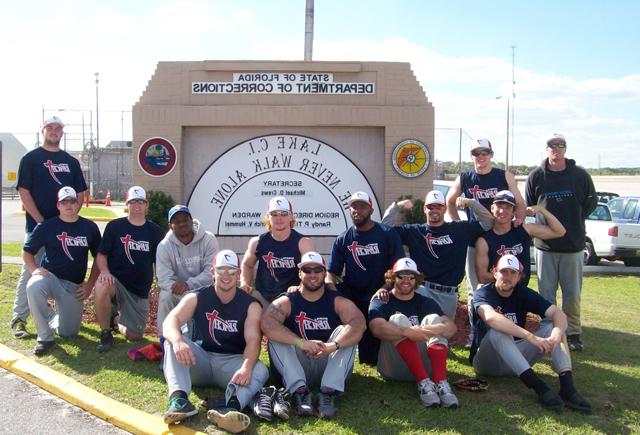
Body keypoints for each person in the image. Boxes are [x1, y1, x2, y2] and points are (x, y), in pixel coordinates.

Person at [162, 249, 269, 433]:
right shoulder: (197, 297)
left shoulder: (250, 304)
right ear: (213, 273)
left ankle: (231, 408)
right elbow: (170, 321)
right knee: (171, 342)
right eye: (221, 270)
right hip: (201, 360)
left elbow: (253, 340)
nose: (226, 276)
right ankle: (179, 401)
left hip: (232, 364)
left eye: (231, 271)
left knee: (259, 368)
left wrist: (246, 367)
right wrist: (178, 340)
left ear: (238, 274)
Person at [470, 254, 592, 413]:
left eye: (513, 272)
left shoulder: (523, 292)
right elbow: (491, 318)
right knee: (498, 331)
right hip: (488, 363)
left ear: (519, 277)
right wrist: (530, 337)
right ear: (494, 273)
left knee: (554, 327)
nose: (507, 276)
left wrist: (555, 335)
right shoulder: (483, 293)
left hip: (517, 359)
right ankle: (539, 388)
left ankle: (567, 388)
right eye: (503, 271)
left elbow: (558, 314)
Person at [261, 252, 366, 419]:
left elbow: (359, 322)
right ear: (299, 273)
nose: (312, 274)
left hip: (327, 362)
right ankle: (299, 392)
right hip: (297, 362)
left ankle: (328, 393)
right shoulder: (288, 300)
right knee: (275, 335)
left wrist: (333, 345)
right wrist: (300, 342)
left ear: (324, 273)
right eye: (307, 270)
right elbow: (267, 323)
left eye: (317, 270)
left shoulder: (336, 300)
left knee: (348, 333)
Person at [11, 116, 87, 338]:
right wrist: (42, 222)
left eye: (58, 128)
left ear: (62, 133)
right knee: (31, 272)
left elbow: (80, 193)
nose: (54, 131)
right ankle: (19, 319)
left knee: (61, 272)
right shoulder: (30, 159)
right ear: (42, 130)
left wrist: (71, 217)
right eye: (49, 128)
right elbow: (23, 192)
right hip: (39, 228)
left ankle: (60, 316)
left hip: (66, 229)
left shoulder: (71, 162)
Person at [446, 138, 526, 342]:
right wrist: (459, 224)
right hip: (476, 239)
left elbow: (519, 201)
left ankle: (513, 332)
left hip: (501, 237)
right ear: (471, 156)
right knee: (476, 290)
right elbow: (449, 201)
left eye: (484, 153)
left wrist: (518, 221)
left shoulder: (503, 175)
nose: (480, 157)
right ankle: (476, 334)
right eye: (476, 153)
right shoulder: (465, 177)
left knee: (510, 285)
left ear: (491, 155)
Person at [525, 134, 597, 351]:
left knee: (572, 295)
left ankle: (573, 333)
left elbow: (590, 204)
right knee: (546, 294)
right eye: (552, 146)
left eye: (560, 145)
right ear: (546, 149)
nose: (556, 149)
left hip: (573, 246)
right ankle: (549, 331)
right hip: (545, 247)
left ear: (565, 149)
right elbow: (530, 206)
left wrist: (573, 222)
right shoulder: (536, 176)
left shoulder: (580, 175)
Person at [382, 190, 493, 320]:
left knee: (441, 335)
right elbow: (385, 230)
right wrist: (397, 206)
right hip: (422, 289)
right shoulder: (414, 231)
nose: (434, 210)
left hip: (448, 293)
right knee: (419, 332)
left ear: (445, 209)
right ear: (424, 209)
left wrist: (471, 203)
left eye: (439, 206)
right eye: (430, 207)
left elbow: (488, 223)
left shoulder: (460, 229)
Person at [368, 258, 459, 408]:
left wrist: (423, 331)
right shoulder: (381, 300)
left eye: (411, 277)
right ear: (392, 277)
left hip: (426, 365)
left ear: (417, 280)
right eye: (401, 276)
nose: (406, 281)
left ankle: (441, 383)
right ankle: (423, 383)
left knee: (433, 319)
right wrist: (408, 331)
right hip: (392, 367)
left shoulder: (425, 301)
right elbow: (376, 328)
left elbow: (451, 328)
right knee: (397, 319)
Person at [327, 191, 404, 365]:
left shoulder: (387, 234)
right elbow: (331, 272)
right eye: (354, 206)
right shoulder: (343, 239)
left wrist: (385, 288)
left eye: (362, 206)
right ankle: (337, 350)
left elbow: (398, 268)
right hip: (354, 294)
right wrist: (333, 293)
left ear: (370, 209)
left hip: (381, 293)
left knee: (374, 358)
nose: (357, 210)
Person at [23, 187, 100, 356]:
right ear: (58, 205)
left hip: (73, 285)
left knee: (69, 333)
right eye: (64, 201)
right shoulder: (47, 226)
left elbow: (99, 259)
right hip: (51, 278)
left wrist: (89, 285)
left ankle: (51, 315)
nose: (69, 205)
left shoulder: (90, 227)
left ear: (77, 203)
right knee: (34, 285)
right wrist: (34, 270)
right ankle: (44, 338)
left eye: (72, 200)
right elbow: (27, 252)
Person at [93, 186, 164, 352]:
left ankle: (116, 320)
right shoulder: (115, 227)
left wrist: (158, 286)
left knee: (134, 336)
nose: (137, 205)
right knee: (102, 286)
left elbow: (159, 263)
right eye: (133, 202)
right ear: (127, 204)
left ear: (146, 205)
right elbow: (102, 255)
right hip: (116, 282)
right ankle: (105, 333)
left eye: (140, 202)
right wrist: (104, 271)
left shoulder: (155, 232)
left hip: (138, 290)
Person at [475, 190, 566, 286]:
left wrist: (541, 210)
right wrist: (509, 277)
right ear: (492, 208)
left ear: (514, 212)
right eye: (499, 206)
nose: (502, 211)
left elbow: (559, 231)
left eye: (508, 208)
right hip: (496, 291)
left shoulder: (524, 230)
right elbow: (482, 277)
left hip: (520, 291)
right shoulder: (484, 241)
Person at [156, 204, 219, 341]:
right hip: (177, 291)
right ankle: (164, 340)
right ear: (170, 226)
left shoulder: (209, 239)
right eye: (177, 221)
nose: (182, 224)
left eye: (185, 219)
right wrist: (182, 289)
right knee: (165, 296)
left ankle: (202, 340)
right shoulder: (164, 246)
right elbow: (163, 278)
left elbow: (211, 273)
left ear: (191, 220)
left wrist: (188, 285)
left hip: (203, 289)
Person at [241, 196, 314, 308]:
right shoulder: (257, 242)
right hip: (263, 296)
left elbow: (311, 270)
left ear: (291, 217)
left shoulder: (303, 243)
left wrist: (300, 286)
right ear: (268, 217)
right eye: (274, 214)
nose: (279, 218)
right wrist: (245, 284)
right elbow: (247, 264)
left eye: (283, 213)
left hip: (292, 297)